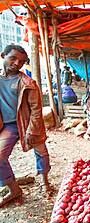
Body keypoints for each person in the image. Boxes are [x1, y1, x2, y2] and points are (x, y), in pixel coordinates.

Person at [0, 45, 51, 207]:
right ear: (3, 56)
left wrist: (32, 130)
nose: (17, 63)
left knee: (41, 151)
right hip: (7, 126)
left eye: (21, 61)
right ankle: (13, 188)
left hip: (28, 123)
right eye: (13, 58)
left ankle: (45, 181)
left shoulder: (28, 83)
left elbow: (36, 110)